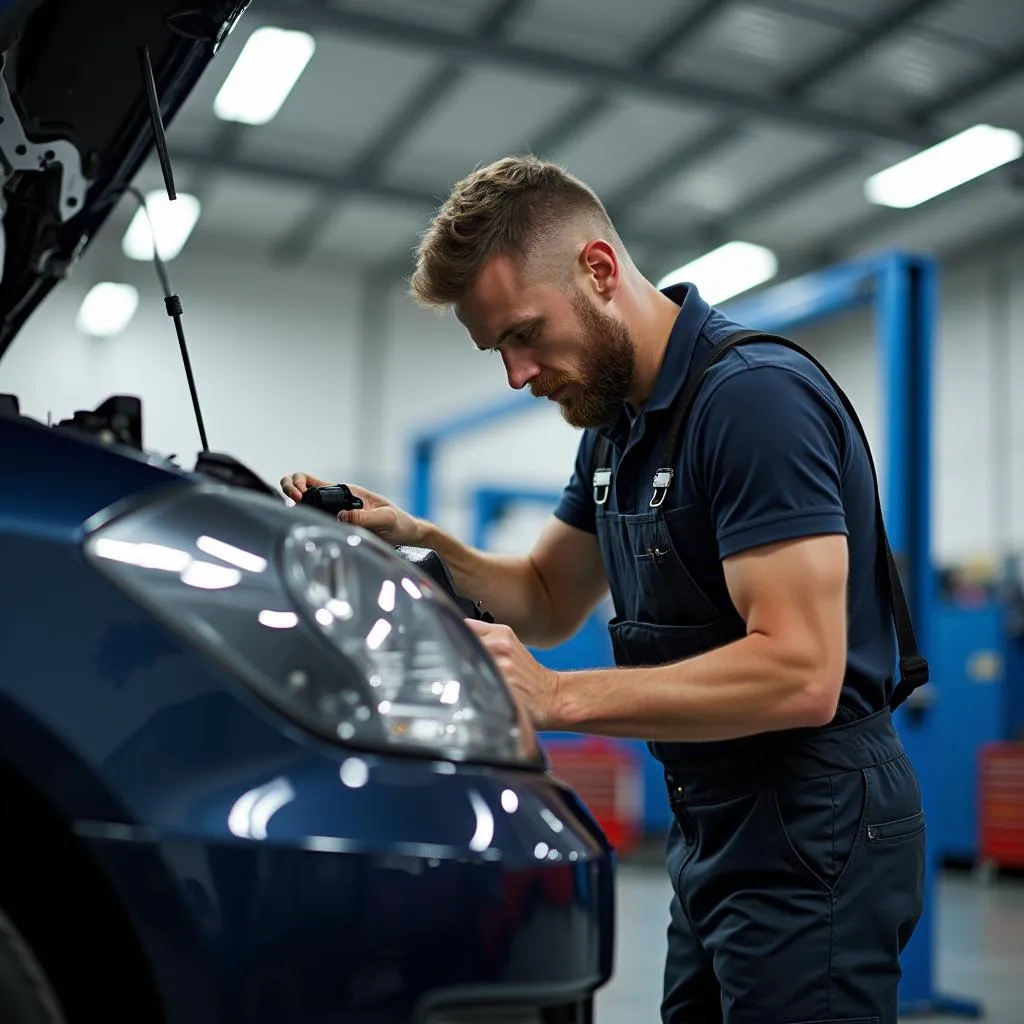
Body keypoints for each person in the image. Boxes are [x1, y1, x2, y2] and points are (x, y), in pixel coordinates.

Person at [281, 155, 926, 1023]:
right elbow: (548, 596)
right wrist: (417, 538)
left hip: (814, 819)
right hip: (715, 819)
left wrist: (556, 695)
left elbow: (801, 673)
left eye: (523, 333)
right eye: (497, 349)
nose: (517, 373)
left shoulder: (753, 402)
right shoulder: (618, 427)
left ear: (598, 269)